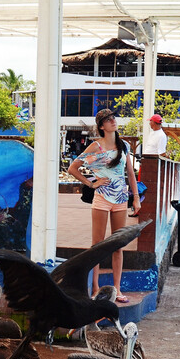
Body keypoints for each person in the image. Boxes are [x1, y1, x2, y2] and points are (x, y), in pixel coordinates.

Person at [68, 108, 141, 303]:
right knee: (97, 246)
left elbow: (130, 174)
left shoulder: (123, 145)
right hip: (101, 199)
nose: (112, 121)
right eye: (107, 120)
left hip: (121, 199)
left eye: (113, 118)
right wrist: (92, 183)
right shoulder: (95, 147)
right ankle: (95, 288)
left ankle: (117, 289)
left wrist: (136, 197)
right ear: (101, 126)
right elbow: (73, 168)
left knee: (118, 245)